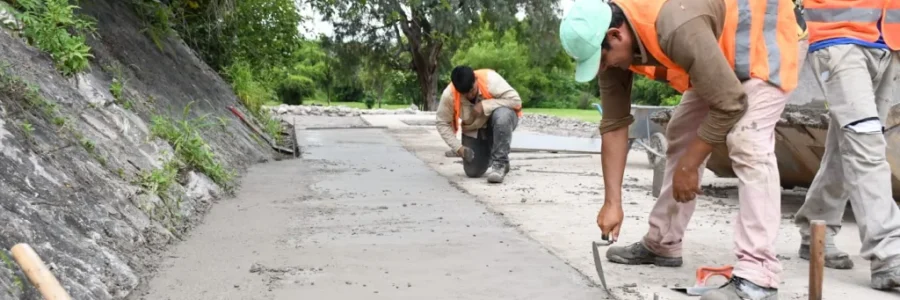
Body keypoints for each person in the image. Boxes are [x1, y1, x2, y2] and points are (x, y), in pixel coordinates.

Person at [558, 0, 800, 298]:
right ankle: (663, 242)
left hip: (763, 41)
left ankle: (758, 274)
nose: (604, 67)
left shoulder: (675, 24)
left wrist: (689, 165)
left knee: (747, 140)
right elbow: (614, 124)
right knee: (683, 131)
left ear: (615, 35)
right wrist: (612, 202)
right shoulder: (612, 43)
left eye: (603, 59)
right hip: (717, 54)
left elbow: (730, 103)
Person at [791, 0, 900, 290]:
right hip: (839, 39)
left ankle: (816, 225)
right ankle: (889, 255)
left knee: (848, 147)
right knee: (866, 148)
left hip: (887, 43)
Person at [435, 66, 523, 184]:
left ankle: (500, 164)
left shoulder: (490, 80)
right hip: (476, 128)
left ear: (476, 79)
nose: (470, 95)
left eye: (472, 90)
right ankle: (491, 153)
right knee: (473, 172)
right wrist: (458, 148)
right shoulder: (449, 94)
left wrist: (484, 105)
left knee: (502, 116)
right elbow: (442, 122)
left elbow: (516, 101)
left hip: (498, 122)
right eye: (465, 94)